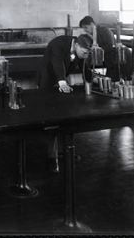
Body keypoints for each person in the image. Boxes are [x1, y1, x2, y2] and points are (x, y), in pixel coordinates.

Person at [35, 33, 93, 173]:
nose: (85, 56)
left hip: (61, 84)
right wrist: (62, 82)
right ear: (77, 45)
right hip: (47, 82)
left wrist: (93, 79)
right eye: (84, 53)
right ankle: (52, 159)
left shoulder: (80, 49)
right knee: (51, 122)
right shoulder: (59, 43)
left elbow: (83, 66)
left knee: (65, 118)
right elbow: (57, 62)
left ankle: (65, 151)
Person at [79, 16, 121, 81]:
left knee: (111, 80)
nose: (85, 30)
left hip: (111, 59)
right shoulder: (91, 34)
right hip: (101, 58)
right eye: (83, 28)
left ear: (92, 24)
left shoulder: (104, 30)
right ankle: (88, 82)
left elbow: (110, 46)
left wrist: (97, 50)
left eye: (86, 27)